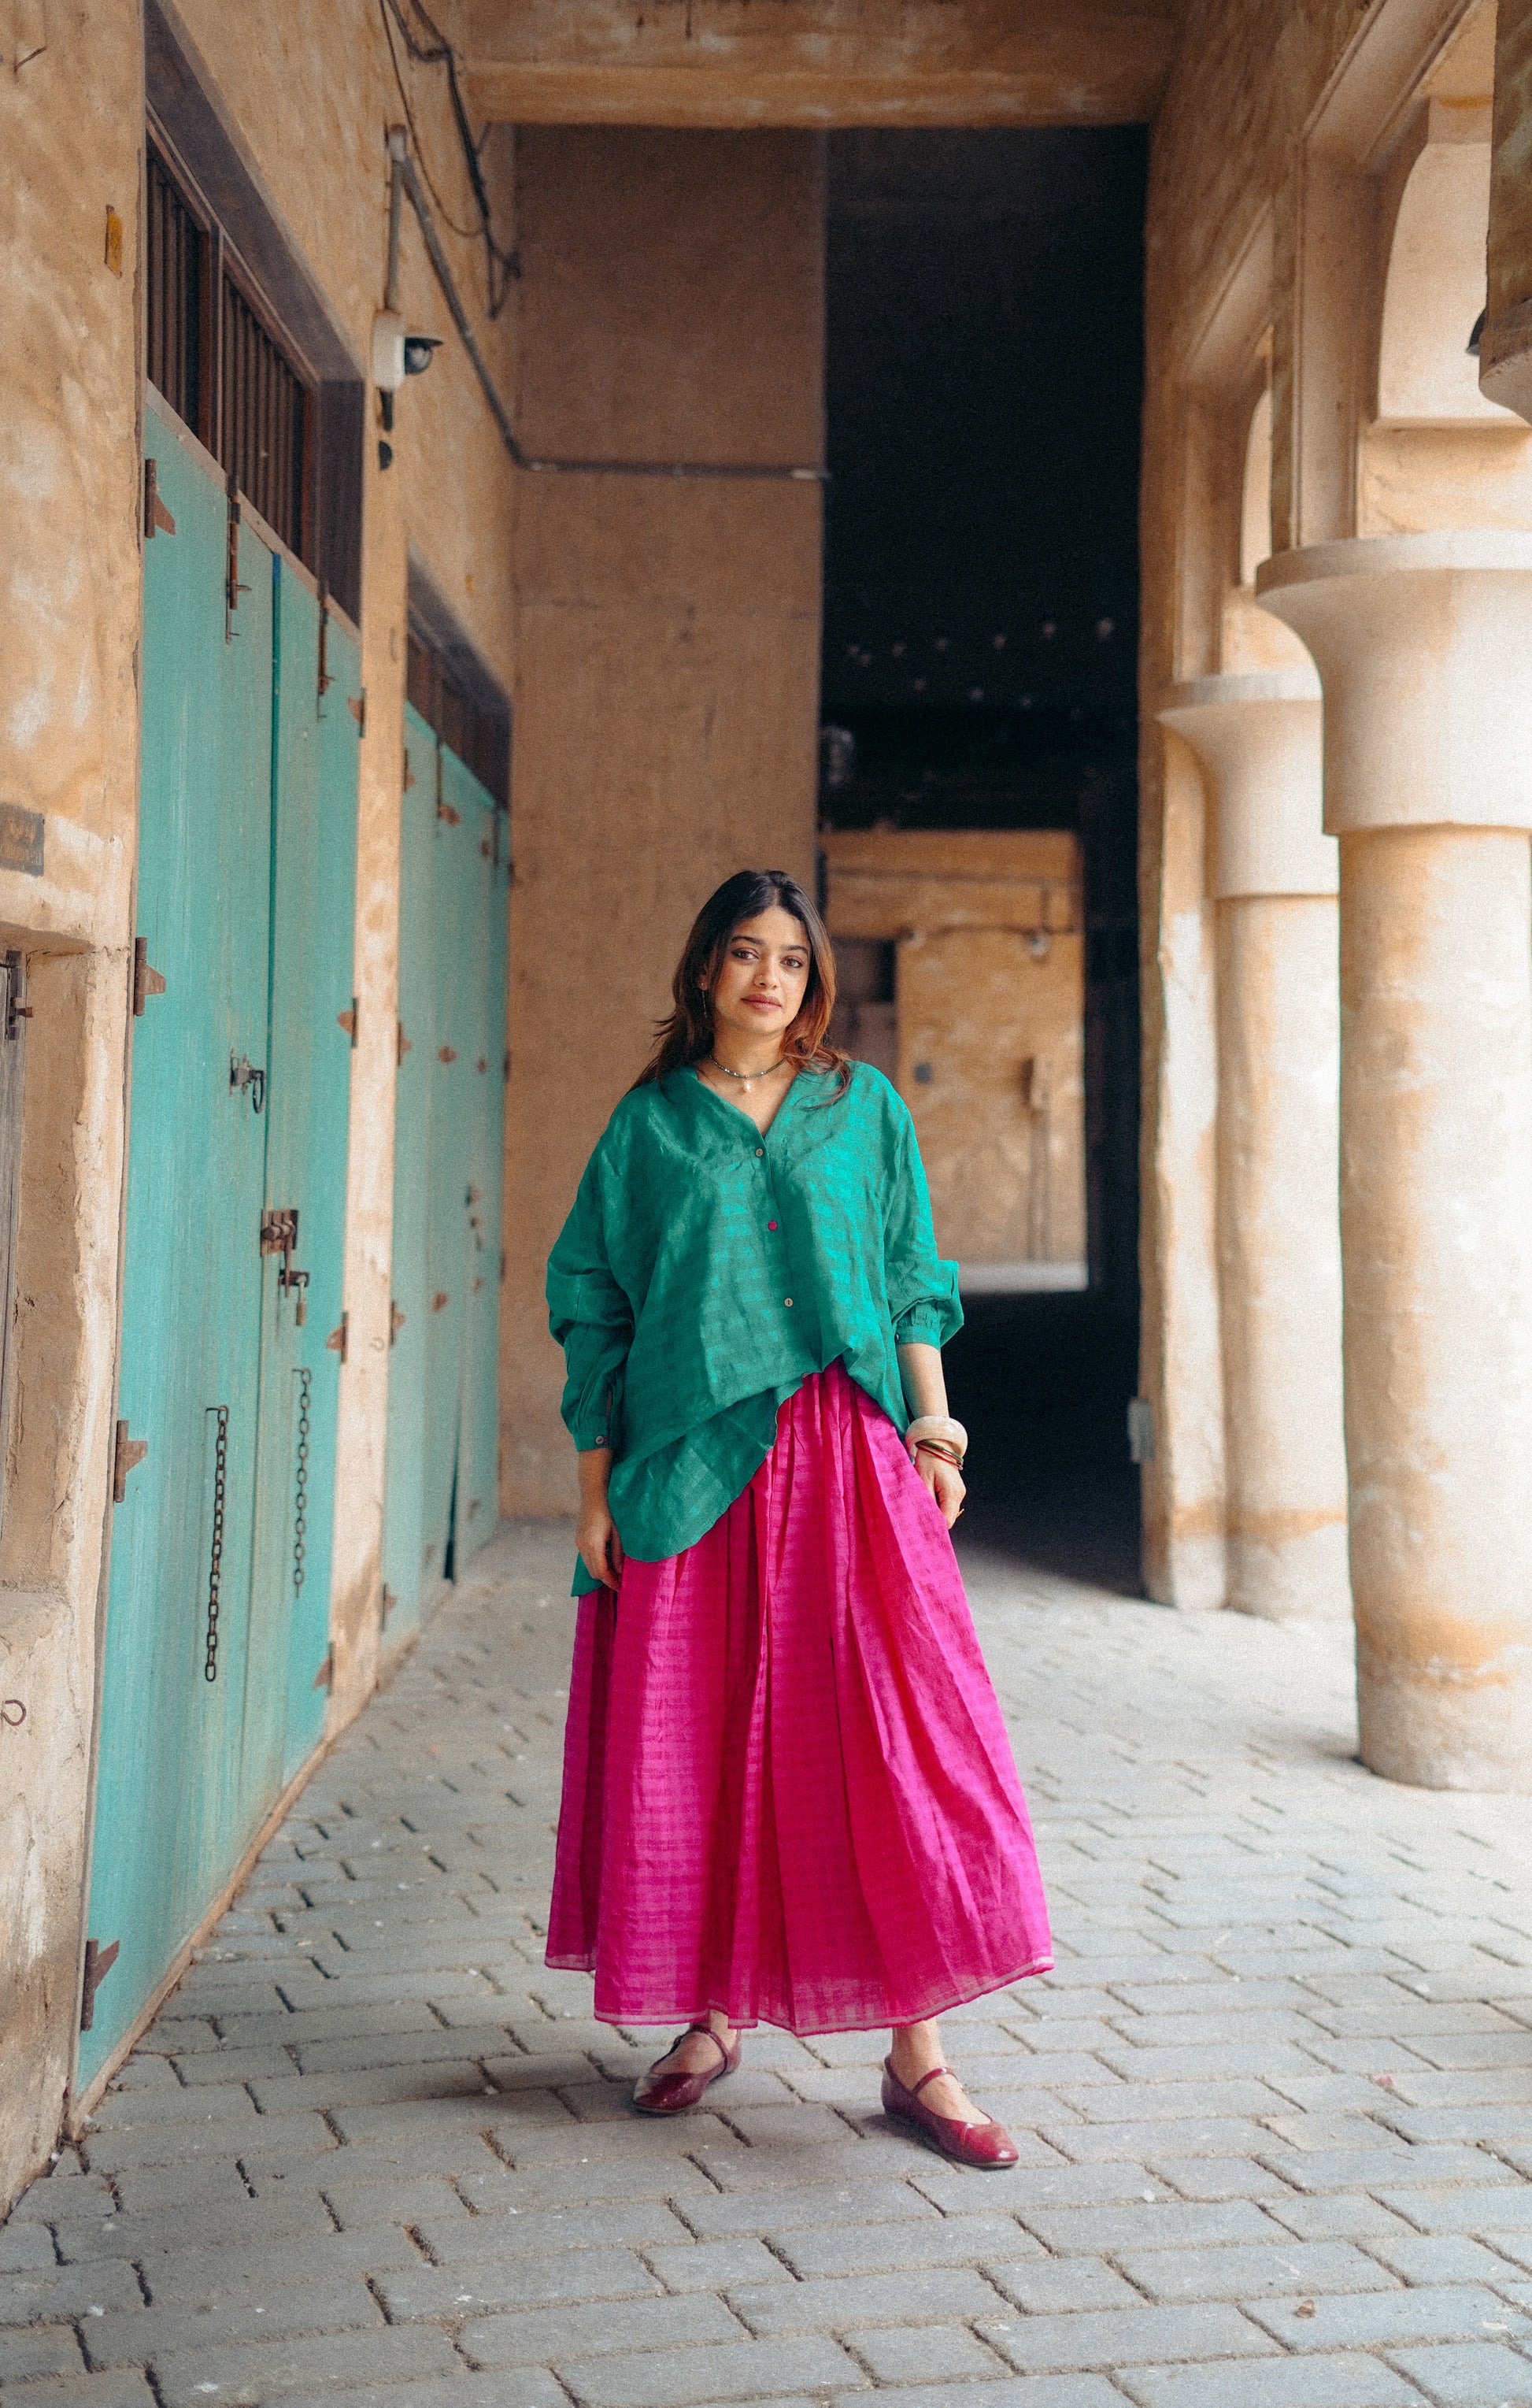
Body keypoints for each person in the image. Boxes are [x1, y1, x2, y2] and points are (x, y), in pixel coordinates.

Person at [544, 868, 1052, 2167]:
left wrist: (932, 1430)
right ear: (703, 971)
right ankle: (712, 2016)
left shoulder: (857, 1106)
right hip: (694, 1460)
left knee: (889, 1728)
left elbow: (904, 1275)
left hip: (841, 1452)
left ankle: (916, 2054)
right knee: (709, 1730)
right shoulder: (648, 1128)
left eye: (787, 956)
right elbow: (594, 1304)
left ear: (810, 977)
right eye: (742, 953)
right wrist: (596, 1492)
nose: (767, 976)